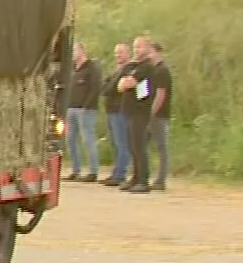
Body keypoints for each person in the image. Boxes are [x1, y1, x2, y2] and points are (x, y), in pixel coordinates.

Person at [116, 35, 168, 195]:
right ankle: (135, 177)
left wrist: (126, 83)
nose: (136, 50)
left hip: (141, 111)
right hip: (129, 110)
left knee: (139, 147)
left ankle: (143, 180)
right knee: (132, 146)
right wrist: (125, 82)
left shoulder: (147, 67)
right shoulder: (133, 66)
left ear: (147, 48)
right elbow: (120, 85)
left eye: (139, 46)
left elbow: (129, 83)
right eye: (135, 47)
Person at [63, 41, 103, 181]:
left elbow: (96, 87)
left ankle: (93, 171)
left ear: (82, 50)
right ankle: (76, 170)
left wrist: (87, 105)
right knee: (71, 140)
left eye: (74, 50)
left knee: (88, 139)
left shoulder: (92, 67)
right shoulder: (73, 68)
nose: (73, 54)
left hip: (86, 109)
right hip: (70, 108)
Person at [101, 41, 133, 186]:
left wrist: (110, 86)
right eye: (116, 53)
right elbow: (104, 87)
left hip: (120, 110)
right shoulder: (116, 70)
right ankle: (116, 172)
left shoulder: (129, 69)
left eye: (120, 52)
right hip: (111, 110)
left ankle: (121, 174)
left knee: (122, 143)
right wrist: (109, 86)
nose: (117, 55)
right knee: (115, 143)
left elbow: (112, 88)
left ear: (128, 53)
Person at [145, 40, 173, 191]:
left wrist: (151, 112)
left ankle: (161, 180)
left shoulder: (162, 71)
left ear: (157, 52)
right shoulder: (152, 70)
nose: (148, 55)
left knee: (161, 147)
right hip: (150, 114)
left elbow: (160, 94)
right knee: (144, 145)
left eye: (150, 52)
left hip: (159, 115)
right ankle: (145, 175)